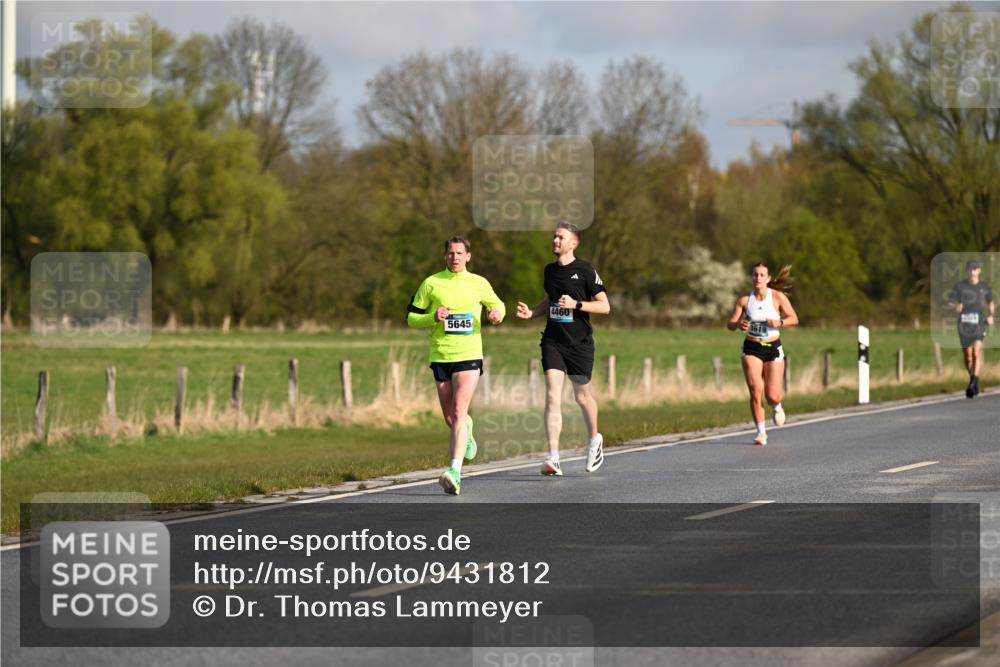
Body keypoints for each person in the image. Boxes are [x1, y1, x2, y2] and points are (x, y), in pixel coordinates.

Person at [407, 236, 505, 495]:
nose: (455, 257)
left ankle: (455, 472)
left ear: (468, 256)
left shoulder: (478, 283)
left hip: (469, 354)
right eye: (451, 253)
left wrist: (496, 315)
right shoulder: (431, 283)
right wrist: (432, 316)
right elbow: (411, 318)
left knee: (460, 410)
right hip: (441, 355)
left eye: (460, 253)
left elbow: (498, 305)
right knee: (451, 418)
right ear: (445, 256)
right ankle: (468, 432)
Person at [516, 222, 611, 476]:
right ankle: (554, 457)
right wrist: (533, 312)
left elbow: (605, 306)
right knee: (551, 395)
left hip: (579, 344)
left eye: (561, 237)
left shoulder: (586, 270)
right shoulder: (549, 271)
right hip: (553, 341)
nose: (555, 240)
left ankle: (594, 440)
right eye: (554, 236)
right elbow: (550, 301)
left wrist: (576, 305)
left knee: (581, 396)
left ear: (573, 243)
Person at [726, 263, 799, 446]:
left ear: (768, 278)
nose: (758, 278)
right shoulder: (745, 301)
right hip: (752, 348)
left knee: (772, 395)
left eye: (761, 275)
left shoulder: (777, 297)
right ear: (752, 278)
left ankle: (776, 406)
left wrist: (779, 322)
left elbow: (794, 319)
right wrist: (739, 325)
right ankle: (761, 433)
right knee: (755, 390)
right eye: (755, 275)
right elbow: (730, 324)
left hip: (772, 347)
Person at [948, 259, 994, 398]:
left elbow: (990, 302)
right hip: (964, 325)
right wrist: (956, 307)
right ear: (967, 271)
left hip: (979, 324)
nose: (972, 271)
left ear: (979, 270)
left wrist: (991, 315)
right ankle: (974, 379)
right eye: (970, 269)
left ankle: (973, 383)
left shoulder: (984, 287)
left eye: (975, 269)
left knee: (976, 353)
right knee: (968, 357)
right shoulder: (960, 286)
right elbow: (951, 301)